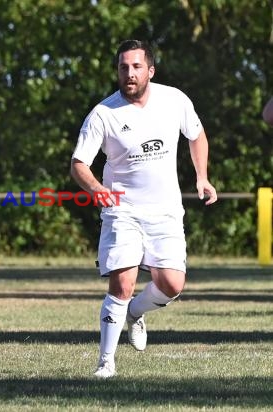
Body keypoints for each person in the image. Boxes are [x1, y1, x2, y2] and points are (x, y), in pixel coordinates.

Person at [70, 40, 218, 378]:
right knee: (122, 283)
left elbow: (196, 136)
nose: (129, 73)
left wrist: (202, 177)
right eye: (124, 67)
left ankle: (136, 314)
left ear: (150, 70)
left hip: (165, 210)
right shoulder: (103, 114)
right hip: (122, 209)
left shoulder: (174, 100)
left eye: (136, 67)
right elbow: (79, 163)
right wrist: (96, 188)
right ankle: (105, 363)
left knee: (172, 285)